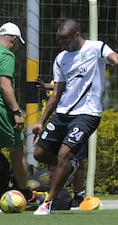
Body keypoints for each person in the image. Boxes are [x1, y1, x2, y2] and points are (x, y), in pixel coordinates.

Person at [32, 19, 118, 215]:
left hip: (87, 114)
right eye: (59, 41)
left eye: (65, 40)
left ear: (77, 35)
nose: (61, 44)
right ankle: (70, 167)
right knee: (39, 153)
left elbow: (117, 59)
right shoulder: (61, 58)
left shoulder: (96, 48)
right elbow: (57, 93)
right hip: (62, 114)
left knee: (63, 155)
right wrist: (41, 121)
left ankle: (48, 203)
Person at [0, 22, 45, 213]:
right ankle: (27, 195)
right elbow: (5, 85)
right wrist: (16, 112)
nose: (15, 46)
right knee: (16, 150)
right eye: (16, 42)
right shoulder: (6, 55)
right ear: (13, 39)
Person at [36, 76, 86, 207]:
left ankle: (79, 194)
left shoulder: (84, 68)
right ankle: (56, 193)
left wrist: (50, 86)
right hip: (58, 120)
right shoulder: (60, 69)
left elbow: (74, 87)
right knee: (46, 155)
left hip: (77, 118)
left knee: (77, 157)